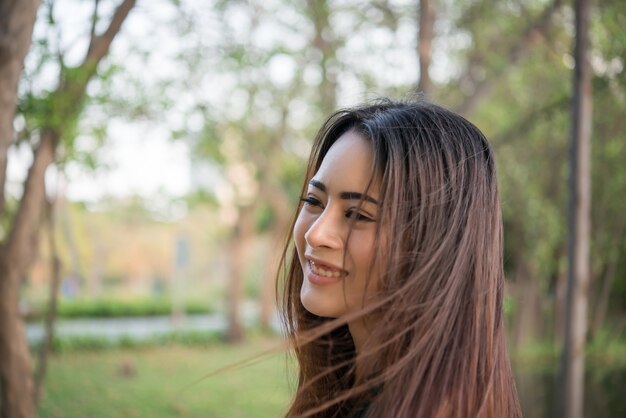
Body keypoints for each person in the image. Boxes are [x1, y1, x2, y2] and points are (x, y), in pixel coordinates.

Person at [277, 98, 523, 418]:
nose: (316, 234)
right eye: (314, 200)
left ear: (433, 239)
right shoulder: (352, 391)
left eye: (358, 214)